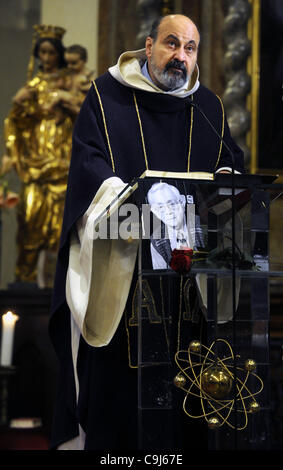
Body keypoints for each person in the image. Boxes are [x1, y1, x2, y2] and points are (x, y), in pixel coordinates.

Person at [49, 14, 245, 450]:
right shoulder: (107, 97)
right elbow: (88, 166)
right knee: (122, 413)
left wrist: (231, 182)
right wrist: (121, 196)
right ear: (149, 44)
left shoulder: (208, 107)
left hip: (188, 289)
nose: (180, 57)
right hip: (125, 274)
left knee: (185, 417)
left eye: (190, 49)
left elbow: (229, 163)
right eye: (171, 44)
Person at [2, 25, 79, 286]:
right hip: (36, 167)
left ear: (59, 54)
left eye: (51, 52)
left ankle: (58, 284)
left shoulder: (70, 83)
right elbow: (15, 124)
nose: (46, 58)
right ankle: (24, 281)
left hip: (62, 164)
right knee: (30, 225)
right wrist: (18, 103)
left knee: (59, 231)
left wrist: (65, 100)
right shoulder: (31, 85)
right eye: (42, 52)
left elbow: (85, 119)